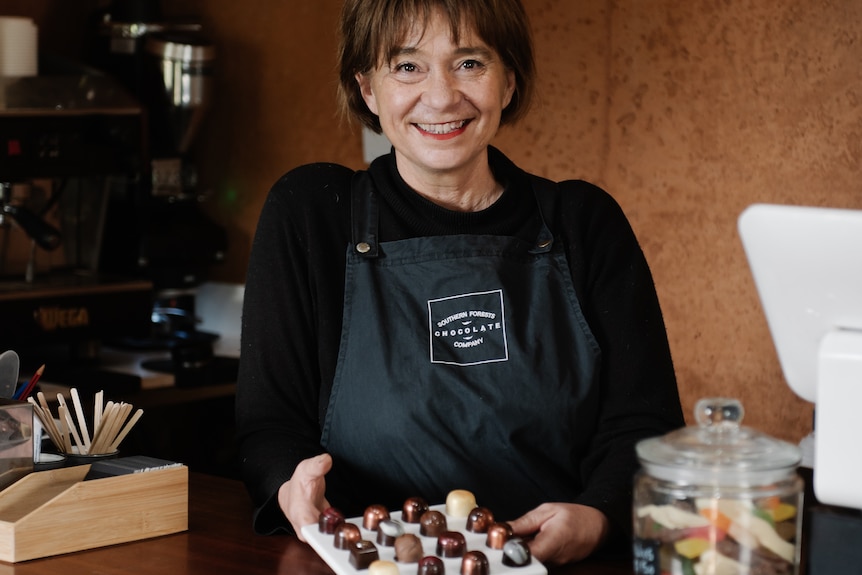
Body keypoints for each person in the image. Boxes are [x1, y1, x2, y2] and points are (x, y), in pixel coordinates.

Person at [236, 0, 684, 565]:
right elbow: (269, 427)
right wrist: (289, 486)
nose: (442, 96)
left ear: (510, 81)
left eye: (470, 63)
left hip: (549, 565)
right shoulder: (312, 214)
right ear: (367, 89)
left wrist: (599, 515)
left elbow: (646, 425)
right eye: (407, 66)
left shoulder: (584, 223)